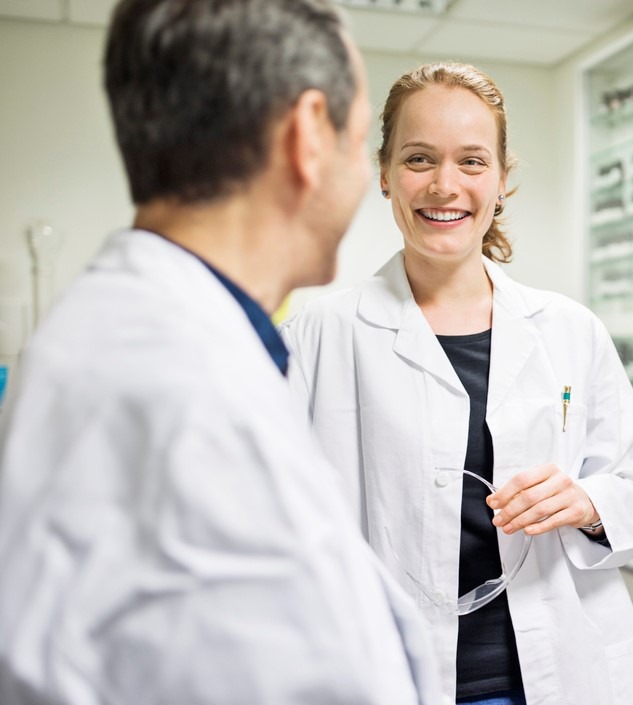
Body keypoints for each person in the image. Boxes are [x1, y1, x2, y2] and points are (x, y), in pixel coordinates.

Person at [0, 1, 439, 703]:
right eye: (360, 145)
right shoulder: (178, 384)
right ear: (307, 139)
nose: (363, 181)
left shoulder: (152, 337)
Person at [280, 62, 633, 705]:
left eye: (473, 162)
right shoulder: (320, 334)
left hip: (553, 670)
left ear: (504, 179)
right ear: (384, 173)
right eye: (419, 158)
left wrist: (589, 503)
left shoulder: (570, 330)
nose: (444, 185)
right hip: (384, 672)